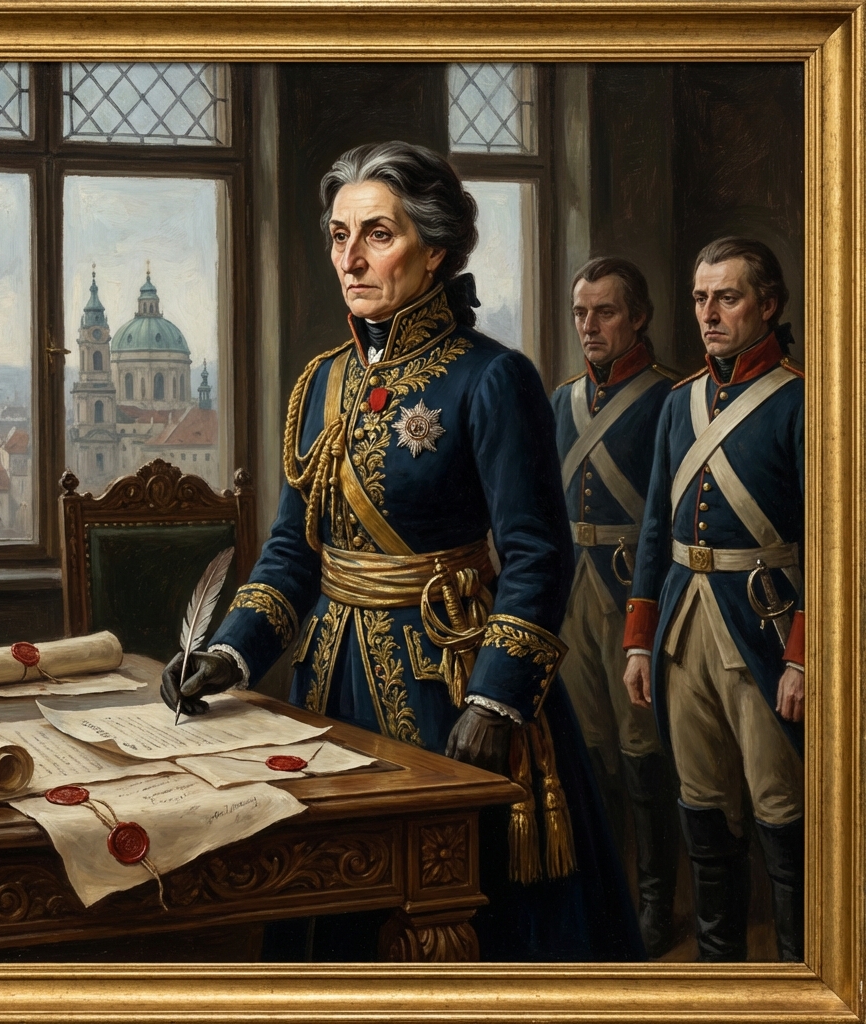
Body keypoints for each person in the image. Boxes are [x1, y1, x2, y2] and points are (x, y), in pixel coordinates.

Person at [161, 140, 643, 962]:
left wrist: (496, 701)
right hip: (330, 684)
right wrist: (230, 655)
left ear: (437, 249)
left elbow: (535, 553)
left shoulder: (492, 377)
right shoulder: (321, 382)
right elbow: (291, 554)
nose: (350, 258)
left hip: (449, 684)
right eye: (338, 235)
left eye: (377, 235)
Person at [623, 237, 804, 962]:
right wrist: (640, 641)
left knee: (780, 813)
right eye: (701, 298)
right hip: (682, 626)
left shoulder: (802, 401)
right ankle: (716, 976)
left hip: (762, 629)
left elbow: (831, 548)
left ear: (769, 305)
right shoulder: (679, 403)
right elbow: (654, 529)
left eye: (727, 298)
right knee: (701, 808)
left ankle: (796, 979)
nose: (709, 313)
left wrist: (803, 657)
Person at [550, 257, 679, 957]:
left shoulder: (669, 400)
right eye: (581, 313)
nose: (590, 326)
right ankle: (609, 899)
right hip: (571, 594)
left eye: (605, 312)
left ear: (638, 318)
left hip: (633, 595)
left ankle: (656, 904)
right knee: (591, 755)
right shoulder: (561, 400)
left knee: (642, 757)